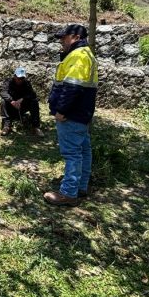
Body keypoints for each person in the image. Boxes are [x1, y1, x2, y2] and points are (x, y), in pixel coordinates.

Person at [44, 24, 98, 207]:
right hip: (81, 113)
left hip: (71, 115)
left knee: (72, 153)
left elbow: (72, 87)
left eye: (63, 37)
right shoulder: (86, 54)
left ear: (74, 37)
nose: (61, 41)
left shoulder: (78, 56)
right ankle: (80, 186)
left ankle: (68, 193)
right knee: (83, 149)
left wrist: (61, 111)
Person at [0, 67, 44, 137]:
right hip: (11, 106)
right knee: (3, 102)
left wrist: (22, 99)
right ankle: (6, 126)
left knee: (34, 102)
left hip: (22, 106)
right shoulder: (8, 82)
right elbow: (3, 93)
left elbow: (32, 94)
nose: (20, 80)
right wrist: (12, 101)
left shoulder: (26, 83)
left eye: (22, 78)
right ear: (14, 76)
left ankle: (36, 127)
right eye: (18, 78)